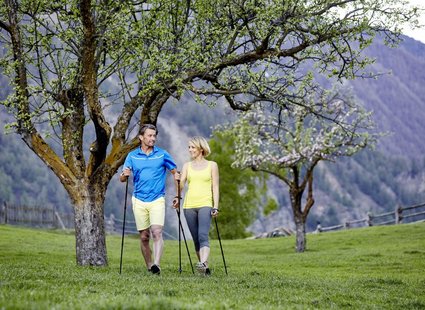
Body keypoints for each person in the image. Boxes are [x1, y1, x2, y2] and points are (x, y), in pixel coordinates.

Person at [120, 124, 178, 275]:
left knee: (157, 232)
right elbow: (122, 178)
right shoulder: (132, 156)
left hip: (157, 198)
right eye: (149, 136)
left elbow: (175, 171)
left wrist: (177, 177)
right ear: (141, 137)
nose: (153, 138)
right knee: (144, 236)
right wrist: (124, 175)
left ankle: (157, 265)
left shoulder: (162, 154)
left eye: (154, 136)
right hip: (139, 199)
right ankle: (149, 265)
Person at [173, 136, 219, 275]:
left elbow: (215, 187)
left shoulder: (212, 165)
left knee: (202, 235)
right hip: (189, 205)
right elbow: (181, 187)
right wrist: (177, 180)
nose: (190, 150)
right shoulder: (187, 166)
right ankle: (204, 268)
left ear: (201, 148)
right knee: (196, 239)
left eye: (192, 147)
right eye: (189, 147)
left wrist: (215, 206)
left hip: (205, 203)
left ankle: (203, 263)